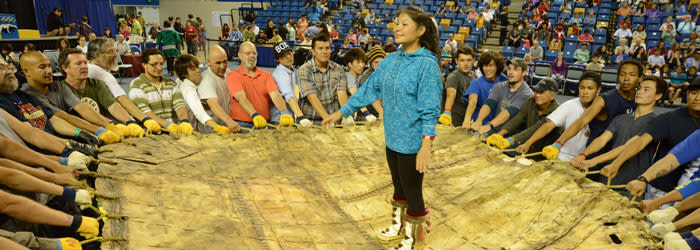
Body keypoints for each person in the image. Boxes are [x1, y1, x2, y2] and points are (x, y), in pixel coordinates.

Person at [322, 6, 440, 248]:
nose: (397, 27)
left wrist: (426, 144)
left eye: (404, 24)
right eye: (396, 23)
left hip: (412, 142)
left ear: (420, 30)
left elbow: (430, 109)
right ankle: (399, 224)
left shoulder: (427, 65)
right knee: (398, 186)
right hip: (392, 137)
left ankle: (413, 237)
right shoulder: (392, 59)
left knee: (413, 191)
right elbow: (369, 89)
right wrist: (342, 112)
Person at [570, 76, 666, 192]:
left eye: (646, 89)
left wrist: (592, 161)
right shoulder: (620, 118)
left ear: (658, 96)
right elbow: (602, 140)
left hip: (630, 184)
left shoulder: (656, 121)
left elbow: (628, 146)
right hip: (607, 177)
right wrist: (583, 155)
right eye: (639, 88)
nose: (639, 92)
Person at [540, 60, 641, 165]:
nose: (626, 79)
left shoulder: (639, 101)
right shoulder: (604, 99)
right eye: (622, 74)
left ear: (640, 78)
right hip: (595, 157)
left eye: (632, 75)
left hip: (620, 157)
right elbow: (582, 121)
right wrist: (558, 143)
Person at [622, 79, 700, 203]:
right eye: (694, 92)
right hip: (662, 189)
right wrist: (615, 165)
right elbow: (639, 143)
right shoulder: (668, 118)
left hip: (692, 195)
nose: (697, 98)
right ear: (687, 94)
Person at [19, 51, 121, 145]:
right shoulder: (27, 95)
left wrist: (109, 125)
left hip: (72, 135)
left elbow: (83, 108)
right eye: (42, 67)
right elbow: (64, 116)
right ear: (26, 71)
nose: (49, 71)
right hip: (54, 142)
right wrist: (97, 130)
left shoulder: (59, 86)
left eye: (49, 66)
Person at [59, 48, 145, 138]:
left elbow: (113, 106)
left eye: (85, 63)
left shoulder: (97, 84)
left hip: (108, 131)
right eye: (78, 64)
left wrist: (130, 122)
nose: (84, 66)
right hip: (82, 135)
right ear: (65, 68)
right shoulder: (61, 90)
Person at [516, 71, 602, 159]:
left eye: (590, 88)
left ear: (598, 90)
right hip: (564, 155)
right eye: (582, 88)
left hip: (587, 158)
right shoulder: (569, 105)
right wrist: (528, 143)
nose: (585, 92)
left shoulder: (604, 110)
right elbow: (548, 125)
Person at [87, 38, 161, 134]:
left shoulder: (90, 69)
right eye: (110, 52)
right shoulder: (99, 73)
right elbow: (122, 99)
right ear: (96, 55)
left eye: (115, 51)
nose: (115, 55)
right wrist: (145, 119)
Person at [226, 42, 294, 129]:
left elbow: (275, 95)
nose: (252, 56)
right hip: (243, 124)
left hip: (265, 123)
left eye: (254, 53)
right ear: (239, 55)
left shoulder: (266, 75)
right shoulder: (233, 76)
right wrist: (254, 115)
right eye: (247, 53)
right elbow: (241, 98)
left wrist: (284, 112)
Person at [487, 79, 560, 155]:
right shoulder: (530, 101)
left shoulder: (556, 110)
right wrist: (500, 134)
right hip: (526, 147)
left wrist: (510, 140)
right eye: (536, 91)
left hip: (543, 152)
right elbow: (517, 119)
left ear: (552, 96)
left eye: (541, 92)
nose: (537, 95)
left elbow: (535, 129)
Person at [128, 48, 192, 134]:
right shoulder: (137, 85)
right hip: (153, 134)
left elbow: (179, 105)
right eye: (154, 64)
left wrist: (184, 121)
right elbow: (145, 112)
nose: (159, 68)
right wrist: (167, 125)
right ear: (144, 65)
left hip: (174, 132)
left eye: (161, 64)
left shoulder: (171, 83)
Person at [297, 34, 350, 124]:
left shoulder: (338, 69)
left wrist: (346, 115)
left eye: (327, 48)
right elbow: (311, 97)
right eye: (320, 48)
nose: (325, 51)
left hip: (334, 120)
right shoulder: (304, 69)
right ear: (313, 51)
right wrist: (327, 119)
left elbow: (341, 93)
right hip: (312, 121)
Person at [472, 58, 534, 135]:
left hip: (513, 136)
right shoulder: (498, 86)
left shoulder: (527, 93)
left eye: (515, 69)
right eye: (509, 69)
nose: (510, 72)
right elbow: (489, 104)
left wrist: (489, 125)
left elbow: (509, 112)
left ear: (524, 72)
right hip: (495, 129)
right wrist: (479, 121)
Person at [172, 55, 227, 134]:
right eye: (193, 69)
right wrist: (217, 127)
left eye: (197, 67)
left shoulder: (180, 81)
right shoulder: (188, 89)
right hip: (184, 132)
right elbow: (199, 113)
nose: (198, 70)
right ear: (184, 74)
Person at [461, 51, 508, 129]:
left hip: (500, 124)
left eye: (491, 65)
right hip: (481, 126)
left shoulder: (503, 79)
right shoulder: (476, 83)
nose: (488, 69)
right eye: (485, 66)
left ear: (497, 67)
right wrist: (467, 120)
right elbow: (472, 102)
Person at [269, 42, 310, 127]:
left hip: (287, 116)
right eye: (283, 55)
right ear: (277, 59)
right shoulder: (281, 74)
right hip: (280, 120)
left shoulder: (289, 70)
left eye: (289, 53)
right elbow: (289, 96)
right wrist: (301, 117)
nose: (288, 56)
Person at [440, 46, 476, 127]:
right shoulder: (454, 76)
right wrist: (447, 112)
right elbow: (450, 94)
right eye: (462, 60)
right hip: (453, 122)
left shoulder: (474, 75)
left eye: (469, 60)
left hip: (467, 120)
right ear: (457, 61)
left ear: (474, 61)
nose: (465, 64)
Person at [344, 47, 377, 123]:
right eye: (358, 62)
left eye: (363, 62)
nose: (362, 65)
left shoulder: (358, 78)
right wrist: (367, 114)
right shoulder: (349, 77)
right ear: (350, 64)